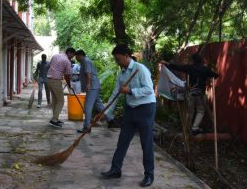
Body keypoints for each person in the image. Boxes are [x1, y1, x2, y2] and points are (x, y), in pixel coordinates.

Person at [101, 44, 156, 188]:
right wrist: (107, 113)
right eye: (116, 60)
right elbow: (116, 93)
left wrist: (130, 91)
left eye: (118, 59)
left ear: (126, 56)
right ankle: (115, 169)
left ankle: (149, 175)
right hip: (130, 108)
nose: (117, 62)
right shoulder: (122, 73)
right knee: (123, 140)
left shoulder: (140, 69)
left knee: (146, 143)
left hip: (145, 108)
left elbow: (149, 90)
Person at [161, 53, 219, 135]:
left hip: (191, 93)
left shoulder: (190, 68)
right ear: (201, 60)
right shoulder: (205, 69)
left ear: (193, 60)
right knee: (200, 110)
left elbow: (177, 67)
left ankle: (186, 129)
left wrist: (166, 63)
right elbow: (215, 75)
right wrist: (212, 72)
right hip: (200, 94)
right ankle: (194, 128)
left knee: (189, 111)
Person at [75, 50, 105, 133]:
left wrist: (88, 84)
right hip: (94, 86)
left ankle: (87, 127)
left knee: (87, 107)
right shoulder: (85, 61)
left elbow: (88, 73)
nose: (76, 58)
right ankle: (110, 119)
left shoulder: (86, 61)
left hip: (92, 86)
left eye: (76, 56)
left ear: (80, 55)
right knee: (98, 105)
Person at [47, 48, 76, 128]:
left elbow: (51, 66)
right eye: (73, 55)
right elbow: (67, 76)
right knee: (61, 101)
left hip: (49, 80)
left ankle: (55, 118)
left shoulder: (55, 56)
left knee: (55, 100)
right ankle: (54, 119)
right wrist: (70, 86)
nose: (73, 57)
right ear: (69, 53)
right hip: (56, 81)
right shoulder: (67, 61)